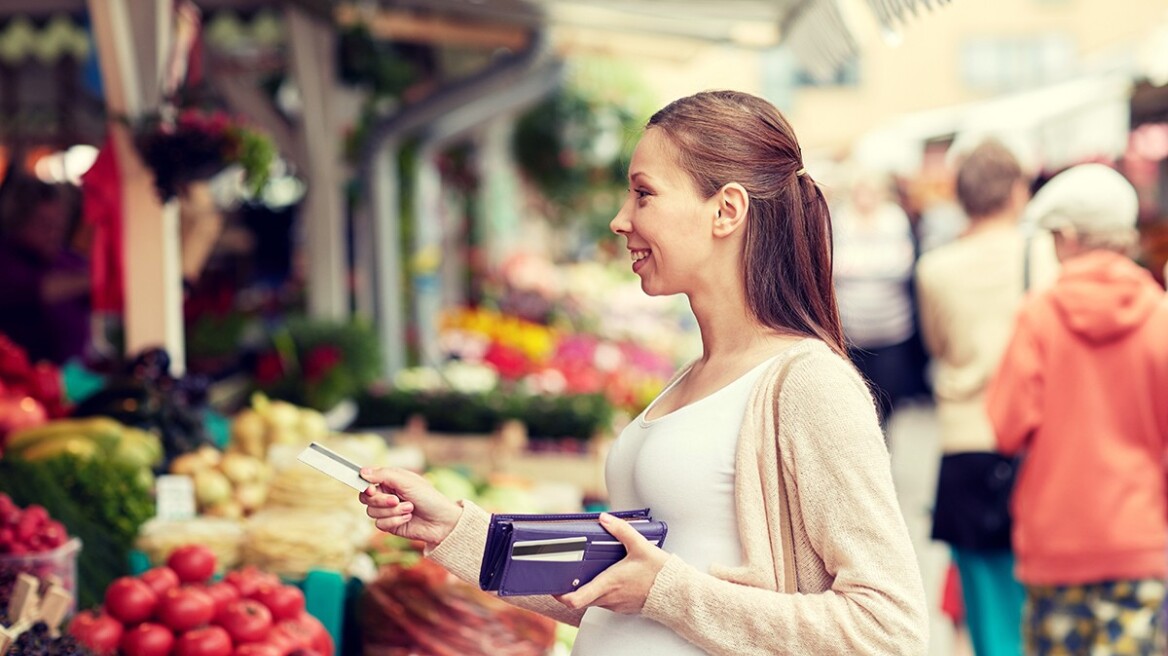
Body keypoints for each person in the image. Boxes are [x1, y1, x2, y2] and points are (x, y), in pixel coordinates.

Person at [358, 90, 929, 655]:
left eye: (643, 195)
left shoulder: (808, 384)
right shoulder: (693, 377)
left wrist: (666, 591)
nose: (619, 220)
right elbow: (610, 588)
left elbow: (889, 629)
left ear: (726, 210)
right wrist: (455, 530)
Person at [985, 163, 1168, 656]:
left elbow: (1005, 428)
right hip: (1140, 539)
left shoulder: (1038, 317)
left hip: (1056, 544)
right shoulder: (1160, 315)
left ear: (1066, 236)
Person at [915, 139, 1057, 656]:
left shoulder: (934, 268)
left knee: (989, 619)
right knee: (1043, 605)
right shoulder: (1045, 255)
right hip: (1036, 444)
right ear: (1018, 192)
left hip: (965, 446)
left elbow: (938, 346)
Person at [831, 167, 922, 426]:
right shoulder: (840, 220)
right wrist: (879, 264)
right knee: (856, 404)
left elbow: (903, 265)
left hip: (892, 330)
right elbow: (832, 265)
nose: (865, 197)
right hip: (852, 332)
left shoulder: (895, 220)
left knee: (889, 400)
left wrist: (855, 266)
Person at [0, 175, 91, 364]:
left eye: (59, 224)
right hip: (19, 384)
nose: (54, 233)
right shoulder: (7, 260)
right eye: (45, 225)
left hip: (71, 380)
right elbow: (35, 289)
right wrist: (92, 279)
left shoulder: (67, 259)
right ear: (19, 222)